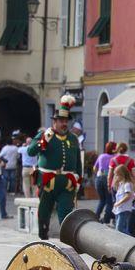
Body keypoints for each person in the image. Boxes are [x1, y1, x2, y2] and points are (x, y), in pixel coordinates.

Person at [28, 95, 83, 240]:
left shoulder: (73, 138)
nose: (64, 124)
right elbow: (31, 151)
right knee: (45, 210)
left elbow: (78, 161)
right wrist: (42, 141)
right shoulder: (45, 135)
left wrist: (79, 179)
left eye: (66, 121)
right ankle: (43, 236)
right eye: (61, 121)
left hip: (67, 182)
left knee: (66, 210)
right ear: (55, 121)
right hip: (48, 181)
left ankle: (67, 238)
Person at [93, 141, 116, 221]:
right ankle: (106, 219)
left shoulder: (101, 156)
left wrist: (98, 175)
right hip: (109, 179)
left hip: (99, 178)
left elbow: (94, 168)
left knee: (102, 200)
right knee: (109, 200)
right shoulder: (115, 157)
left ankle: (96, 216)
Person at [111, 165, 135, 235]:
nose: (115, 177)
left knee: (120, 229)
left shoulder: (127, 184)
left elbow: (128, 195)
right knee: (120, 228)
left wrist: (118, 203)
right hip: (119, 209)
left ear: (122, 175)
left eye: (117, 175)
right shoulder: (121, 184)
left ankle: (130, 239)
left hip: (124, 209)